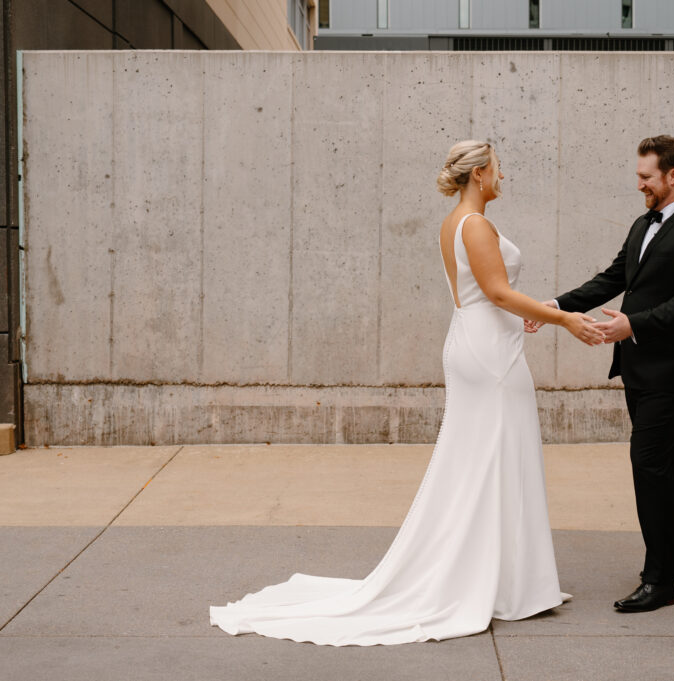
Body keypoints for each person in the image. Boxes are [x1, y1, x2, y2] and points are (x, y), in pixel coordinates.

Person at [209, 140, 604, 646]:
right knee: (494, 457)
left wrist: (532, 312)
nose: (503, 178)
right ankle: (501, 582)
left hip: (478, 340)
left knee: (488, 458)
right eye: (499, 169)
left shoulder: (453, 222)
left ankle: (508, 579)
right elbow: (500, 292)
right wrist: (564, 318)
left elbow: (490, 293)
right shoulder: (475, 224)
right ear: (480, 173)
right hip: (489, 352)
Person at [528, 135, 674, 613]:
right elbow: (613, 278)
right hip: (638, 366)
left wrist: (632, 323)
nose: (639, 184)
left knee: (648, 461)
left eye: (646, 177)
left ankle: (661, 581)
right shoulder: (643, 224)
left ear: (672, 176)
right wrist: (553, 307)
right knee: (666, 459)